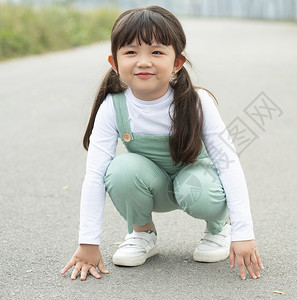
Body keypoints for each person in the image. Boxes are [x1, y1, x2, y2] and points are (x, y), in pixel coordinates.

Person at [61, 5, 263, 281]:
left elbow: (229, 165)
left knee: (197, 188)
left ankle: (219, 228)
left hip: (198, 185)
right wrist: (88, 243)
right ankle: (142, 232)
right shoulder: (113, 107)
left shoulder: (197, 102)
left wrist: (243, 233)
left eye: (156, 52)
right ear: (114, 62)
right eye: (131, 52)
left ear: (177, 62)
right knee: (119, 169)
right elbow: (95, 175)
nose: (144, 62)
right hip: (152, 184)